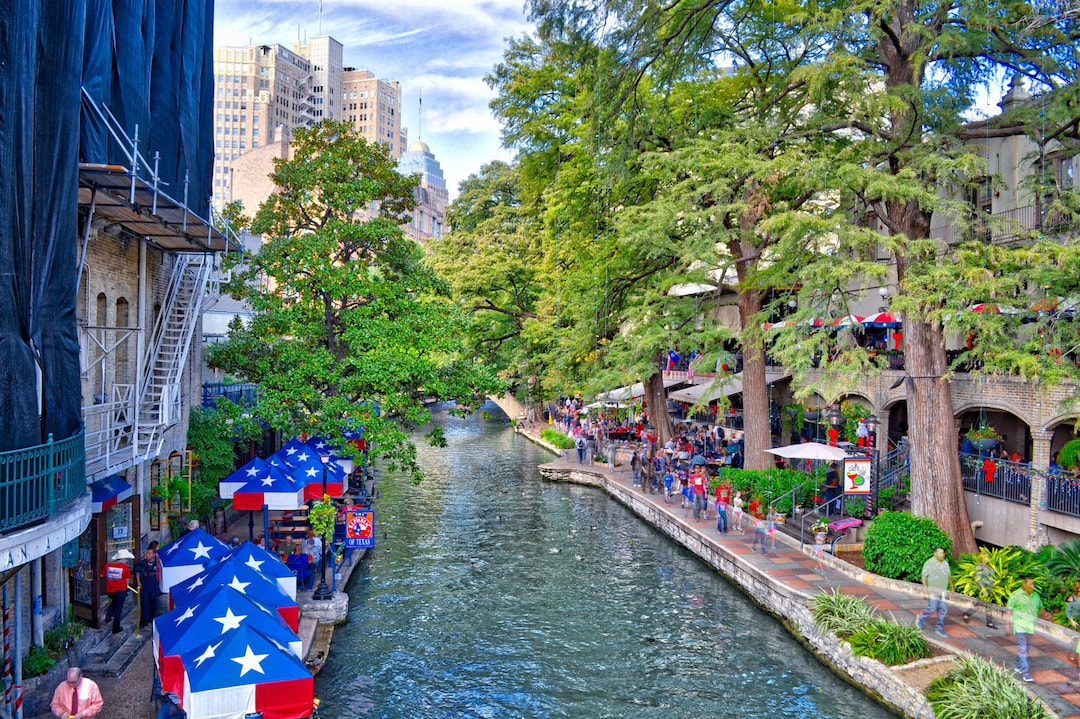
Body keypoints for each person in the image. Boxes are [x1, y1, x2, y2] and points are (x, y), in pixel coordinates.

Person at [1006, 577, 1042, 682]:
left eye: (1033, 584)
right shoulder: (1016, 595)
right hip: (1019, 625)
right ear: (1024, 585)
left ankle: (1018, 664)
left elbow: (1041, 608)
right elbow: (1009, 610)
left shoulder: (1036, 596)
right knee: (1022, 647)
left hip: (1030, 626)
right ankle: (1025, 672)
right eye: (1030, 584)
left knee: (1027, 647)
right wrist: (1007, 624)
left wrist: (1046, 615)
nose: (1033, 586)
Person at [915, 547, 951, 637]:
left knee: (943, 609)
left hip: (942, 590)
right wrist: (925, 590)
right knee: (932, 607)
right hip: (932, 590)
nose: (943, 554)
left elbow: (949, 576)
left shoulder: (945, 563)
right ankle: (920, 618)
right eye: (940, 553)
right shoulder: (929, 563)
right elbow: (923, 576)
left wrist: (952, 588)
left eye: (943, 553)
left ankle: (939, 628)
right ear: (935, 553)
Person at [101, 549, 133, 634]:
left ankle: (108, 615)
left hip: (109, 590)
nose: (126, 561)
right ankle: (116, 628)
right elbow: (127, 580)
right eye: (126, 559)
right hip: (120, 590)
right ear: (122, 559)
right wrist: (126, 588)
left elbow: (102, 575)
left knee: (114, 601)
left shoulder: (108, 565)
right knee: (118, 609)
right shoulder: (125, 567)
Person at [133, 544, 161, 628]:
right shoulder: (142, 563)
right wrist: (138, 582)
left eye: (149, 553)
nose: (147, 555)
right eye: (147, 553)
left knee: (154, 603)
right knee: (145, 604)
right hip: (145, 586)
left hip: (154, 587)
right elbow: (137, 572)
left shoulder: (158, 563)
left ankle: (151, 618)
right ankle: (143, 621)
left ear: (153, 554)